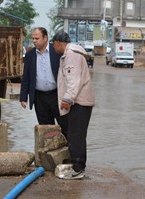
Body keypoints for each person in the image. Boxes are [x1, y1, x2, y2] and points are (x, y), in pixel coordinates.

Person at [52, 31, 95, 180]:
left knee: (76, 136)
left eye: (53, 45)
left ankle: (77, 169)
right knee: (76, 134)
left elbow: (73, 79)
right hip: (81, 101)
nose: (53, 48)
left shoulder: (71, 54)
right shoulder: (73, 53)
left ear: (57, 43)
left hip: (79, 102)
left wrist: (67, 99)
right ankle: (78, 167)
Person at [19, 27, 68, 136]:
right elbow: (26, 76)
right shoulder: (30, 55)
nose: (34, 41)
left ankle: (67, 150)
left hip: (57, 95)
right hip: (39, 98)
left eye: (37, 38)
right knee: (46, 130)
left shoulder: (56, 51)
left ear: (45, 38)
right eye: (33, 38)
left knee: (65, 126)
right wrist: (23, 97)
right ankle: (49, 152)